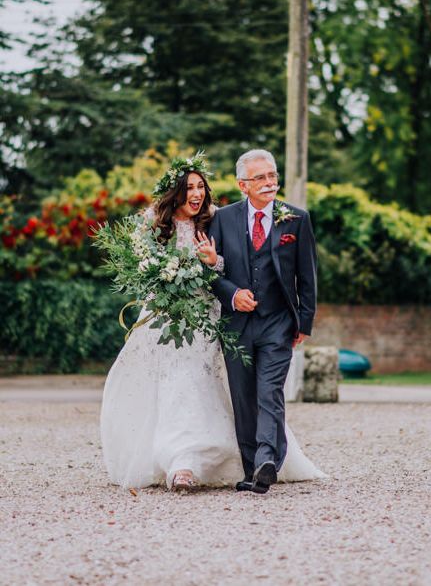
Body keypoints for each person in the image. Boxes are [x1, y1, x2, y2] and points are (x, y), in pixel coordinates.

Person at [100, 154, 324, 491]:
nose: (197, 193)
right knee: (202, 390)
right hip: (186, 321)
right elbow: (152, 269)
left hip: (233, 319)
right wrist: (169, 281)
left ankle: (256, 460)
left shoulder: (242, 218)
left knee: (254, 390)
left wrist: (303, 321)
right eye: (189, 187)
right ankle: (200, 461)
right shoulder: (174, 223)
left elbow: (243, 267)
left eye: (200, 186)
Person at [208, 149, 317, 494]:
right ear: (243, 184)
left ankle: (268, 461)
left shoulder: (296, 220)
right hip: (236, 325)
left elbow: (308, 274)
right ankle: (250, 467)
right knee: (243, 396)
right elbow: (209, 272)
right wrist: (231, 293)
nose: (270, 183)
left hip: (278, 322)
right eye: (261, 178)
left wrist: (304, 321)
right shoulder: (223, 219)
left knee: (270, 392)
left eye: (272, 176)